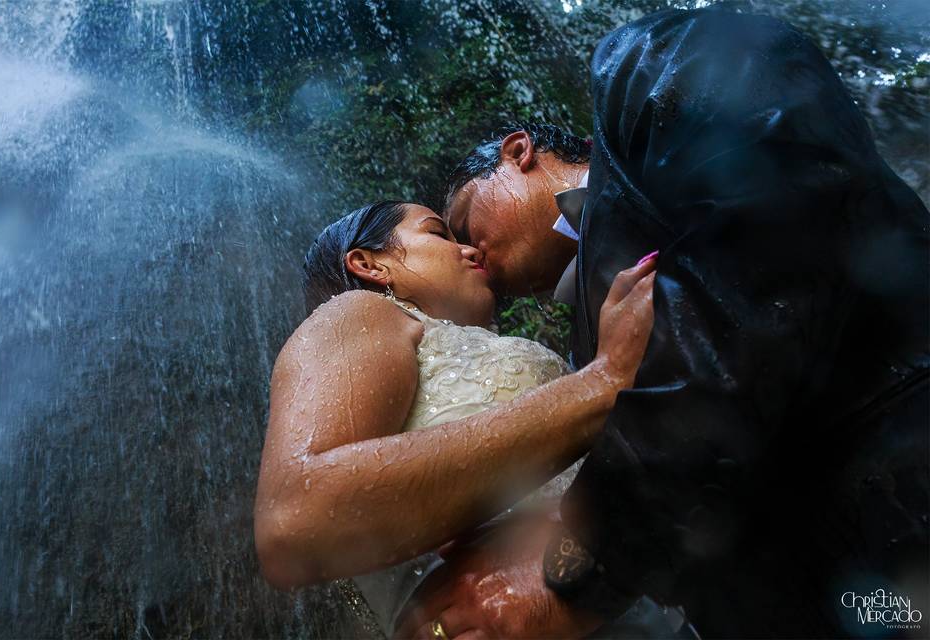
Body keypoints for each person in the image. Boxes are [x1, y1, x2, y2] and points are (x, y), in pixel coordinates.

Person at [399, 7, 929, 639]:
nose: (468, 252)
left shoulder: (648, 64)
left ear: (518, 153)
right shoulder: (582, 350)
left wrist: (585, 563)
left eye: (462, 222)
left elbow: (774, 240)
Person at [253, 200, 657, 637]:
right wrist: (603, 382)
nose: (469, 250)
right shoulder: (357, 312)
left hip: (600, 592)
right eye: (439, 234)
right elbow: (295, 517)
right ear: (369, 264)